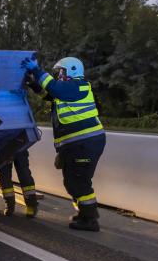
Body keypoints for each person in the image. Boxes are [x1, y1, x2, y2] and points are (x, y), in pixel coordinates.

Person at [22, 55, 105, 232]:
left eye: (61, 72)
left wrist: (37, 71)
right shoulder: (67, 91)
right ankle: (85, 214)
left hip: (85, 143)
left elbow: (55, 88)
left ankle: (90, 220)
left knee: (79, 182)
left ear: (72, 71)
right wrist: (33, 83)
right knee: (72, 182)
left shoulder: (79, 86)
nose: (59, 75)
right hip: (76, 145)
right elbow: (49, 94)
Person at [0, 150, 38, 218]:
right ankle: (10, 205)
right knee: (5, 178)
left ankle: (31, 206)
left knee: (25, 176)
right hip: (3, 148)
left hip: (19, 146)